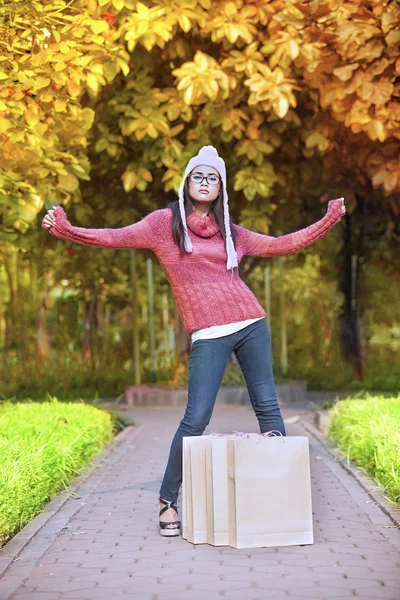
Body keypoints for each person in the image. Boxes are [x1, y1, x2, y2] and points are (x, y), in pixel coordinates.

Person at [42, 145, 346, 538]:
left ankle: (278, 500)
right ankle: (168, 500)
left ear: (221, 188)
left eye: (212, 178)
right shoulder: (162, 225)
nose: (205, 183)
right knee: (195, 419)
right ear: (187, 183)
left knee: (269, 410)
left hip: (251, 322)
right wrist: (66, 229)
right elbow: (114, 236)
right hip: (208, 332)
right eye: (198, 176)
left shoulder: (231, 232)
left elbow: (281, 243)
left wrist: (328, 219)